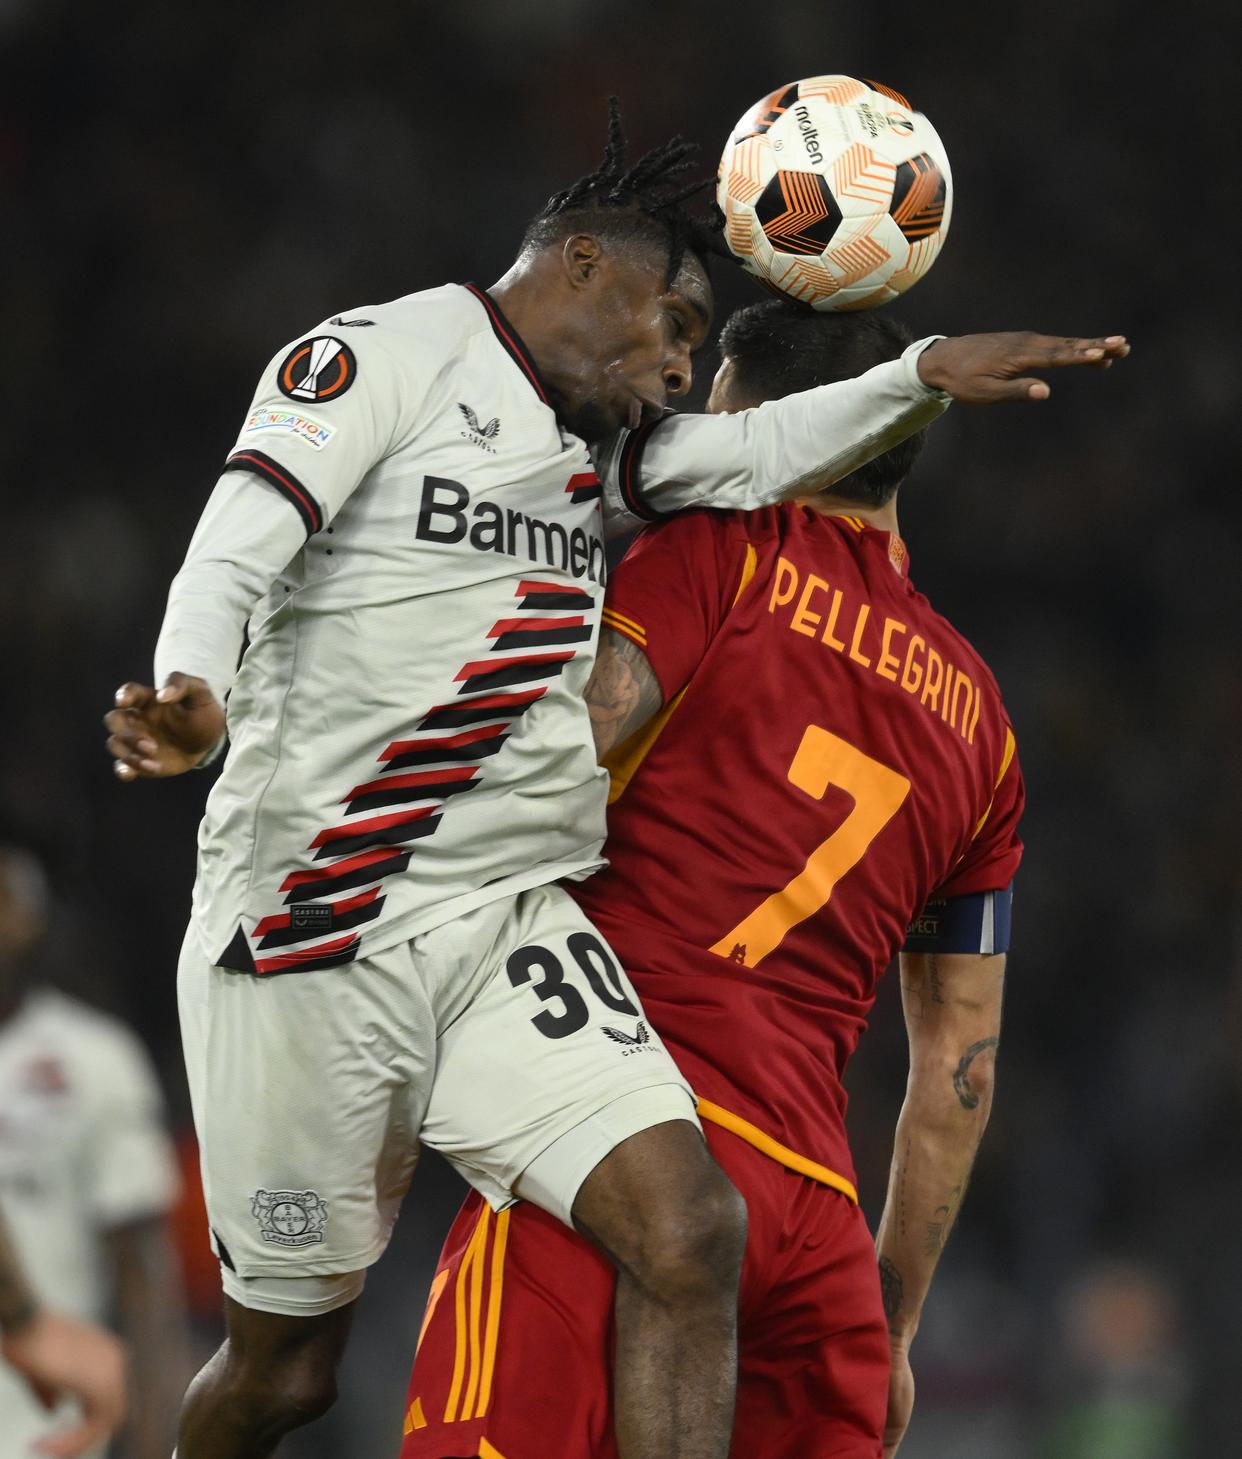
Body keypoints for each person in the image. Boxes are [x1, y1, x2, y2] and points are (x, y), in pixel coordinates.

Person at [102, 98, 1127, 1459]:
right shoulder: (379, 355)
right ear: (584, 264)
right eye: (675, 328)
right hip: (311, 920)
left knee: (687, 1224)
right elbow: (238, 538)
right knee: (283, 1370)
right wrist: (193, 687)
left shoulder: (606, 465)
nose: (678, 369)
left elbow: (754, 453)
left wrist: (925, 367)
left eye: (701, 351)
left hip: (498, 923)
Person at [400, 300, 1087, 1459]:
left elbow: (562, 746)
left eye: (718, 419)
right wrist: (890, 1319)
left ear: (774, 431)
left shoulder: (717, 557)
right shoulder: (982, 728)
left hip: (613, 1146)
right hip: (814, 1244)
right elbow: (957, 1067)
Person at [0, 845, 188, 1458]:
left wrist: (155, 1430)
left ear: (31, 918)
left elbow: (142, 1265)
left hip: (48, 1416)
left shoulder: (94, 1057)